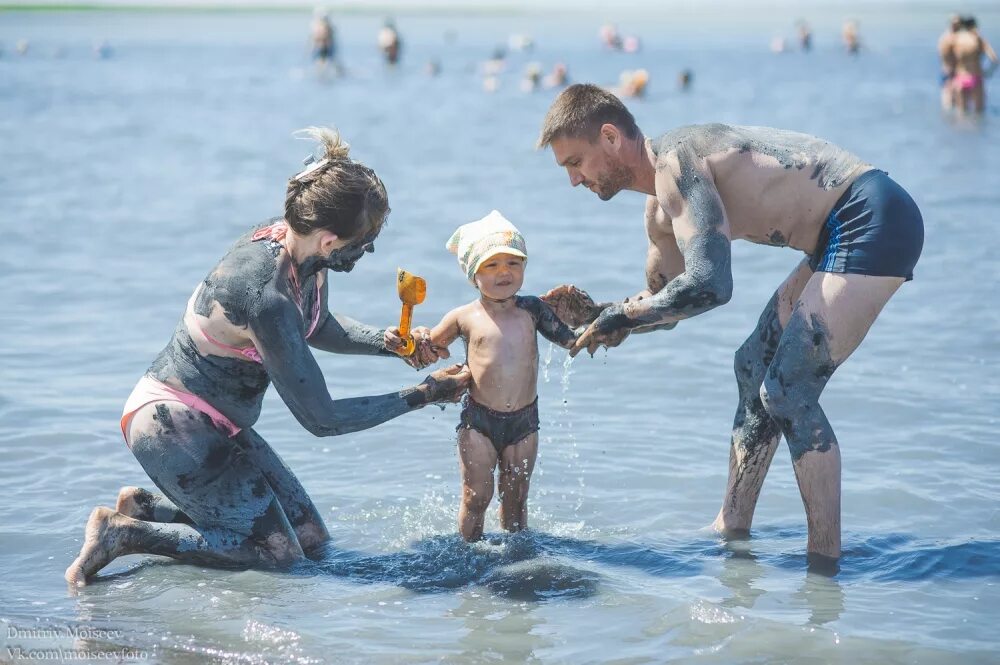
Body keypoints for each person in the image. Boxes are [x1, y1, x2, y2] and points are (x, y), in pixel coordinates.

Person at [536, 84, 923, 568]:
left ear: (610, 137)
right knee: (752, 366)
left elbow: (712, 284)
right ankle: (732, 526)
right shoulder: (659, 212)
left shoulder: (678, 161)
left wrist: (624, 316)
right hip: (830, 236)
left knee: (787, 390)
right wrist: (598, 316)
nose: (574, 180)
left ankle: (824, 562)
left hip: (871, 214)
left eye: (575, 162)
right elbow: (668, 306)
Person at [64, 127, 471, 586]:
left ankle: (148, 508)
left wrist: (391, 343)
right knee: (278, 555)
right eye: (365, 240)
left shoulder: (303, 252)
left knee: (311, 540)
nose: (369, 249)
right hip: (172, 423)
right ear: (330, 241)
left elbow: (317, 325)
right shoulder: (266, 296)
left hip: (220, 420)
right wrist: (425, 394)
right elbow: (323, 419)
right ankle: (125, 534)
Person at [386, 211, 577, 542]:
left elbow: (571, 341)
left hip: (524, 423)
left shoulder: (533, 309)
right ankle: (467, 554)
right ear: (474, 274)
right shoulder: (464, 317)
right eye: (492, 265)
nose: (504, 272)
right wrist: (405, 340)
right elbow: (425, 349)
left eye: (514, 263)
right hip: (479, 422)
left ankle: (517, 559)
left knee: (516, 501)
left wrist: (609, 322)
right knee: (476, 497)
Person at [950, 16, 998, 115]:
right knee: (979, 114)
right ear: (975, 26)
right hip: (975, 76)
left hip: (960, 77)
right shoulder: (978, 39)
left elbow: (949, 58)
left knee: (961, 114)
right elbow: (994, 59)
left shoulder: (956, 39)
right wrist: (988, 72)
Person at [938, 15, 963, 111]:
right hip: (948, 71)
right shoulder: (948, 38)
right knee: (948, 101)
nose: (957, 26)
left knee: (956, 103)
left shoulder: (955, 37)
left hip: (954, 71)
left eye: (958, 24)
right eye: (955, 24)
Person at [310, 9, 338, 74]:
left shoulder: (328, 27)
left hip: (326, 48)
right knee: (321, 64)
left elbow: (330, 39)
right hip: (320, 48)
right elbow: (314, 39)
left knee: (326, 63)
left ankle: (324, 72)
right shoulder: (317, 26)